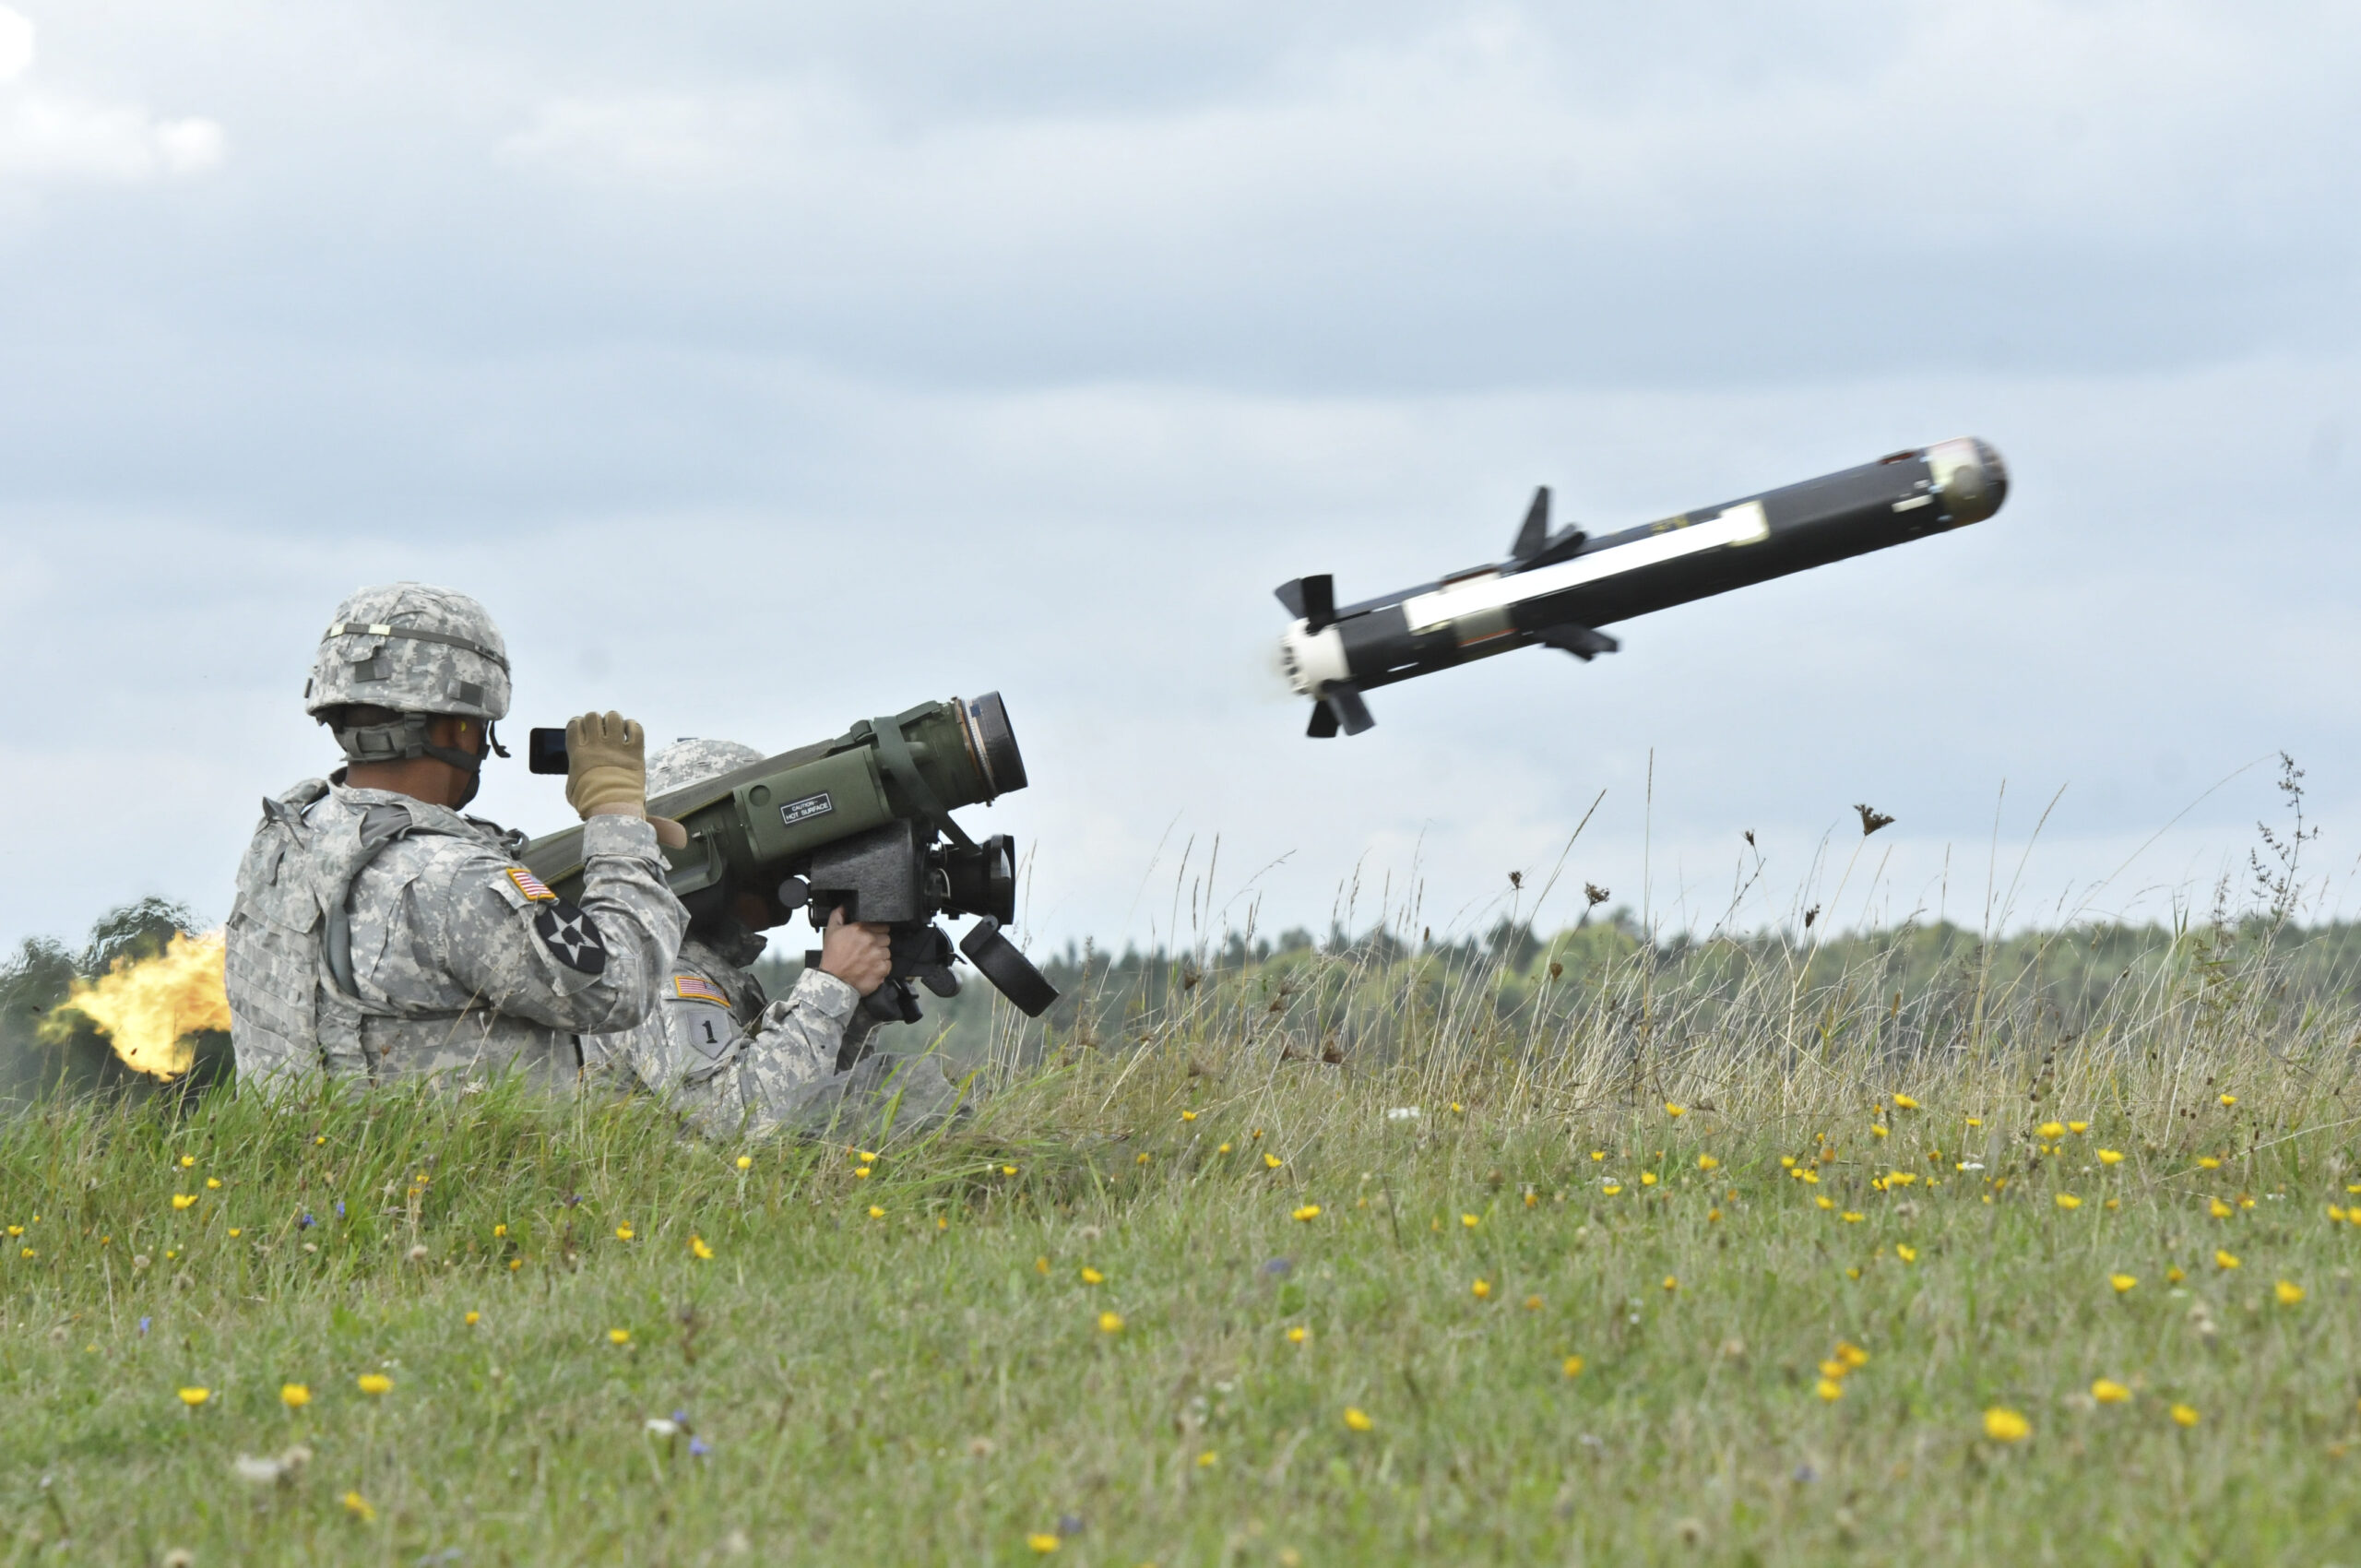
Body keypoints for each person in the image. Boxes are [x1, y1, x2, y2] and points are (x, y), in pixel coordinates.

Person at [224, 582, 687, 1091]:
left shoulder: (284, 841)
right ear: (460, 728)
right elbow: (620, 987)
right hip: (461, 1170)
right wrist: (617, 819)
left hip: (318, 1162)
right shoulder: (454, 879)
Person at [584, 738, 970, 1139]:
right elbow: (738, 1118)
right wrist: (832, 985)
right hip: (677, 1196)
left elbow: (809, 1102)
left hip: (725, 1192)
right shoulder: (657, 975)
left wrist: (857, 1009)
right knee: (907, 1100)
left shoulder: (708, 969)